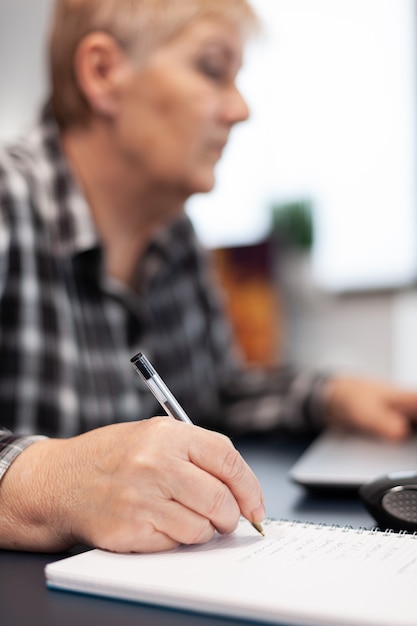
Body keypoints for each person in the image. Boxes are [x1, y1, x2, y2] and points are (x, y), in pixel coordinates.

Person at [1, 0, 417, 554]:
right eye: (213, 70)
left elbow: (214, 394)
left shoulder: (176, 235)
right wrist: (52, 480)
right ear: (103, 73)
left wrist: (331, 395)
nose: (241, 108)